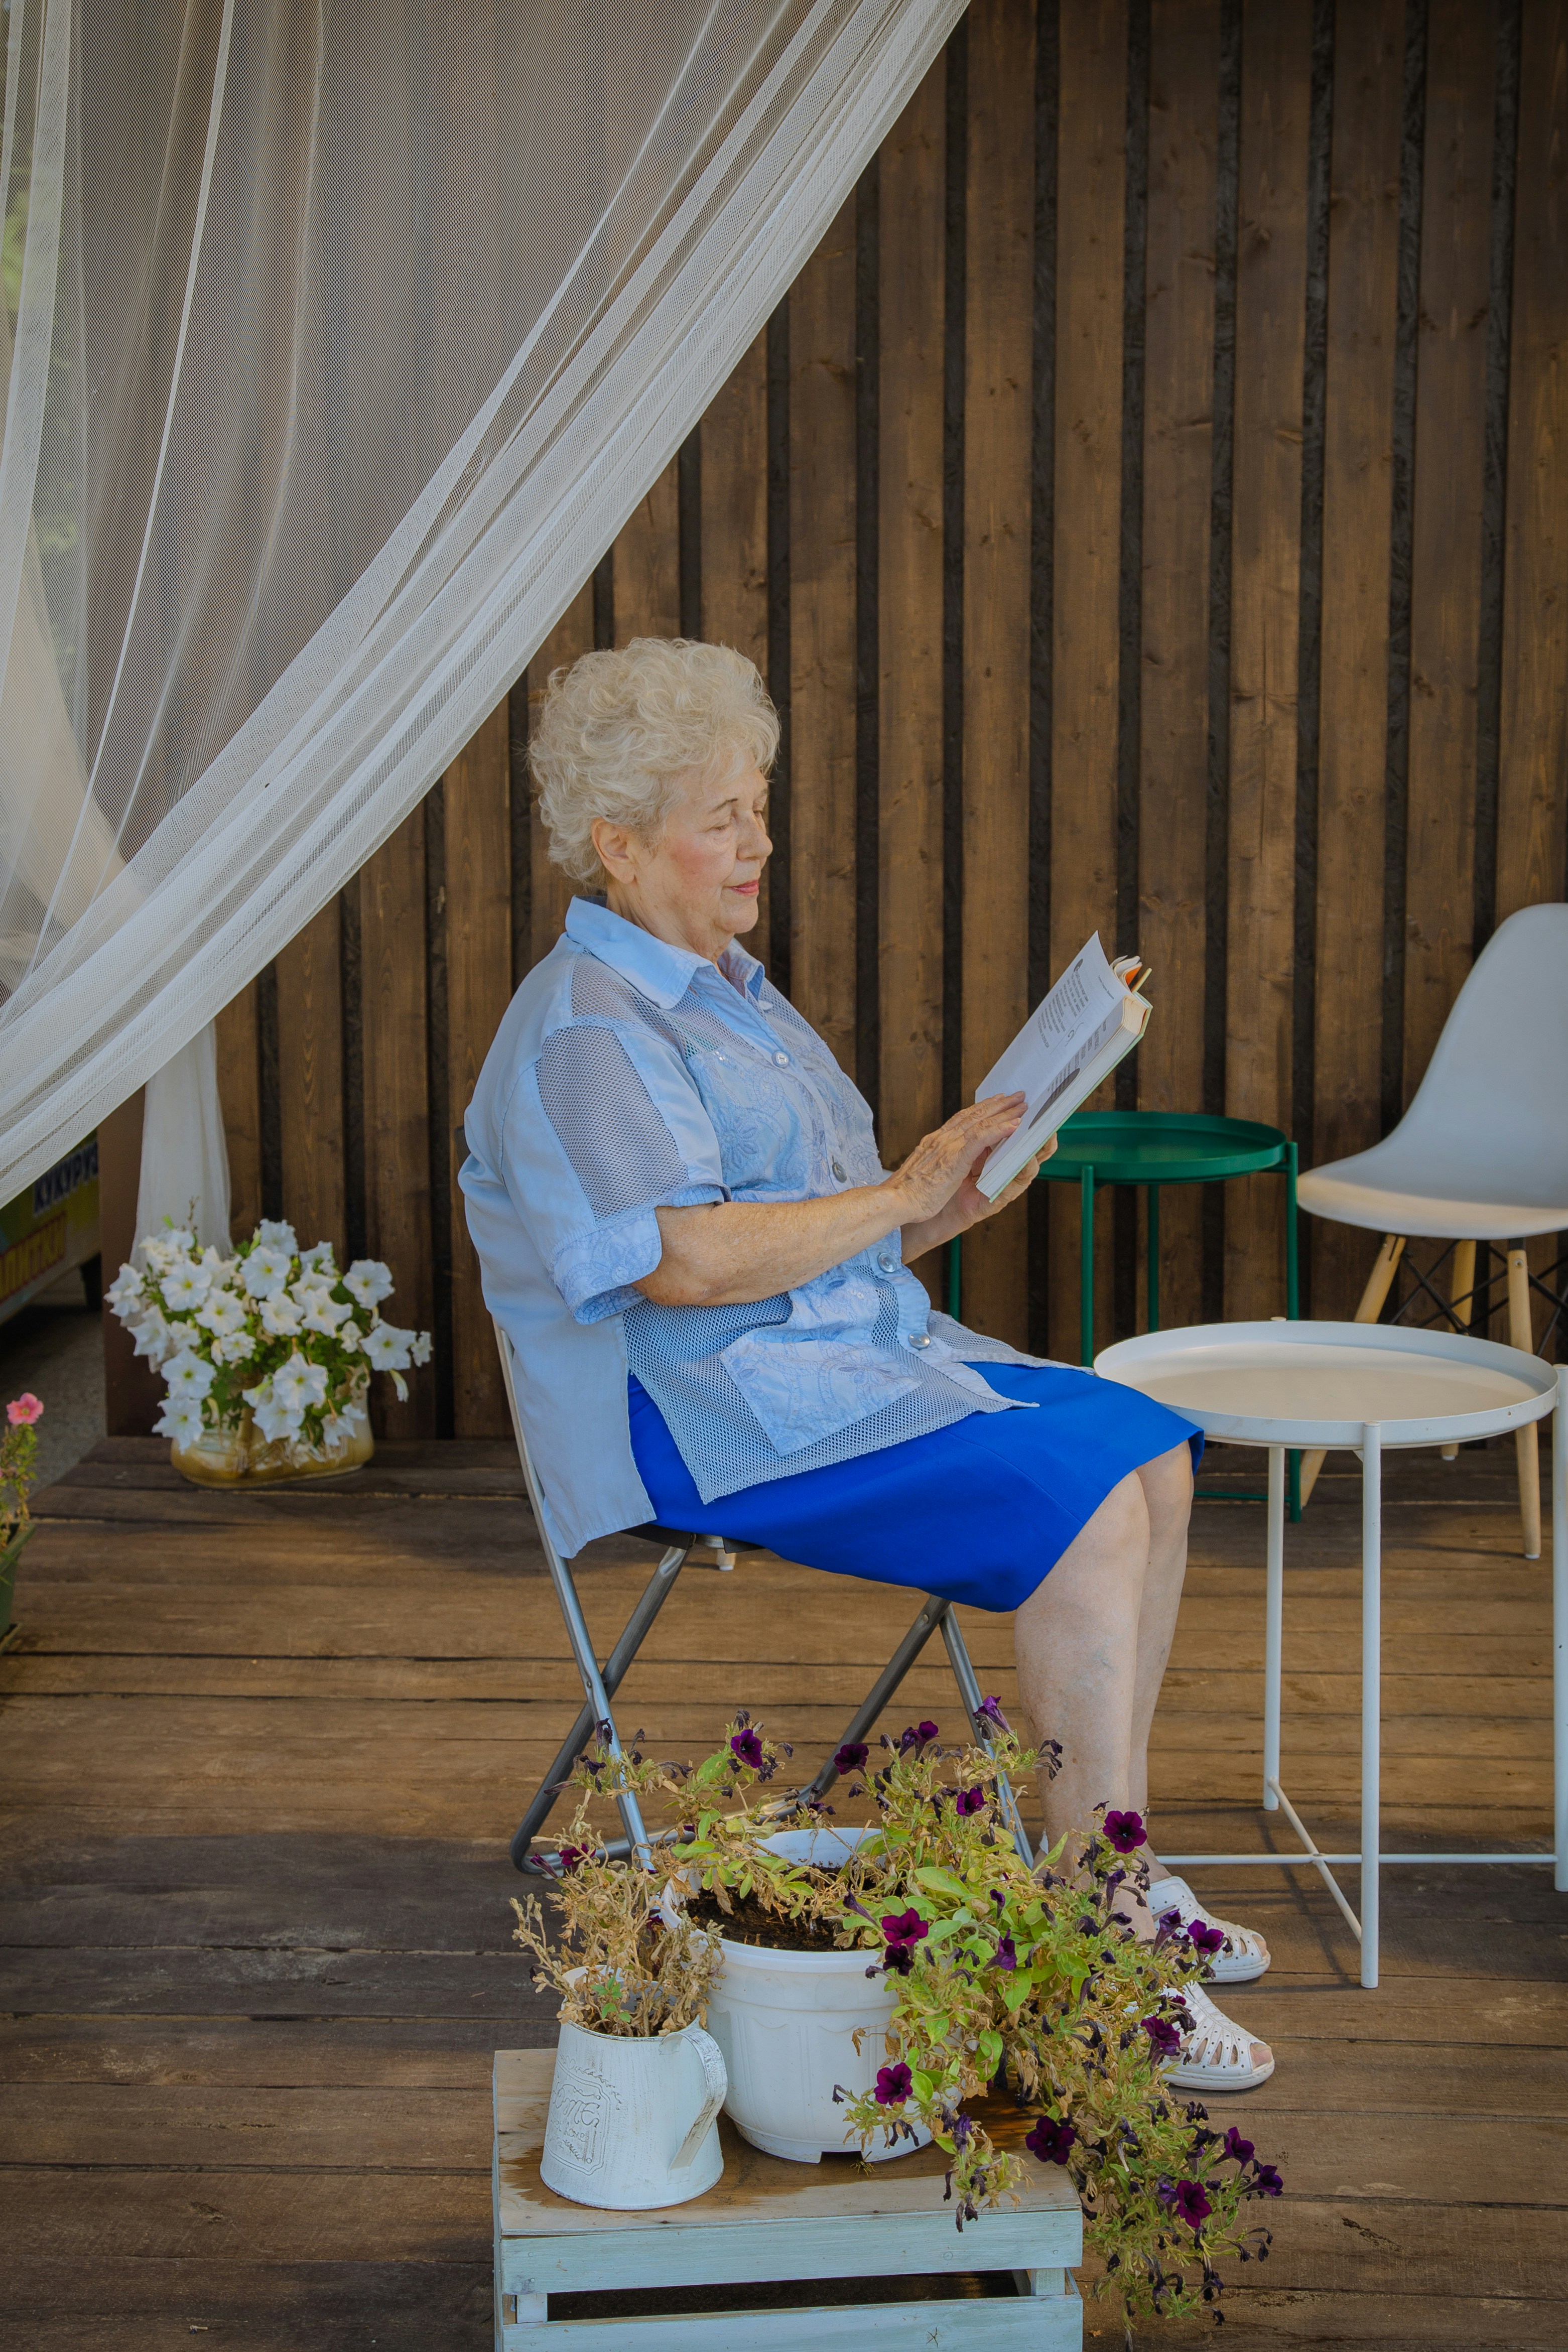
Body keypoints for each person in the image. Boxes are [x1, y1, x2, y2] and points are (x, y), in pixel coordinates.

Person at [461, 637, 1273, 2092]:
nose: (758, 843)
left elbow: (811, 1234)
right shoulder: (591, 1026)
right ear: (617, 841)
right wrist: (903, 1193)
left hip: (835, 1363)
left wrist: (946, 1203)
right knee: (1086, 1506)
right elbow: (681, 1264)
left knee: (1149, 1446)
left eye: (760, 807)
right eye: (723, 818)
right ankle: (1097, 1937)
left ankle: (1121, 1870)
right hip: (695, 1417)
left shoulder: (728, 990)